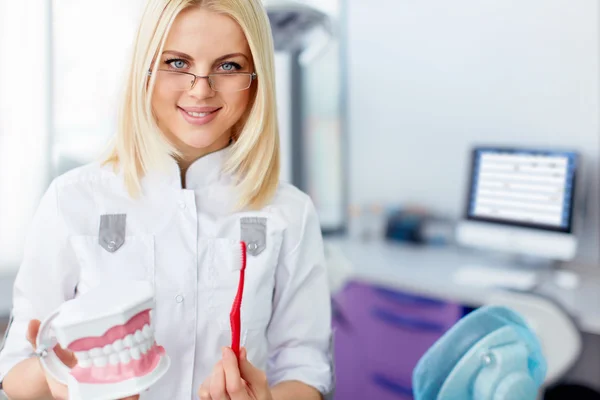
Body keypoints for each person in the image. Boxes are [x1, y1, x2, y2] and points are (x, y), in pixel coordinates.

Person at [0, 0, 334, 399]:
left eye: (228, 66)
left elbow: (305, 368)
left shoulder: (289, 214)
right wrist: (56, 378)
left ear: (256, 78)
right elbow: (15, 374)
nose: (201, 89)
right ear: (145, 68)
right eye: (177, 63)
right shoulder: (72, 201)